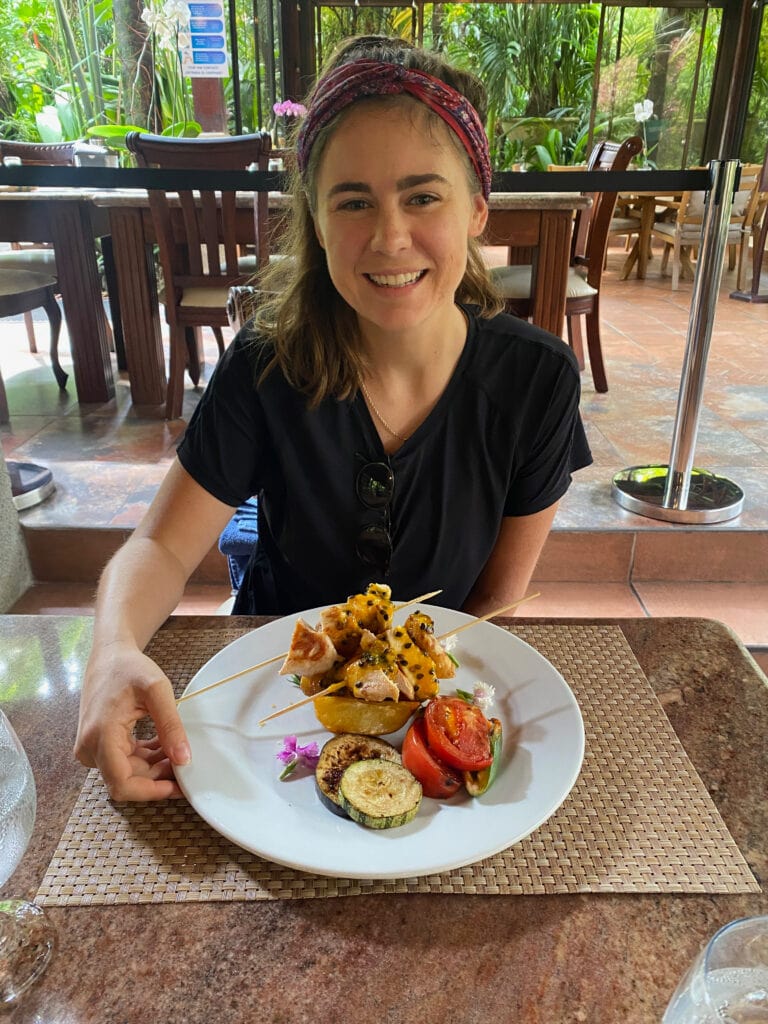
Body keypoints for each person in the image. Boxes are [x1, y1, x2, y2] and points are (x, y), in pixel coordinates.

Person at [74, 35, 592, 801]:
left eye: (423, 196)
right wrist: (110, 653)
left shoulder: (537, 381)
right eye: (352, 201)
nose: (388, 237)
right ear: (316, 221)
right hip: (268, 713)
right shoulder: (265, 365)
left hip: (424, 716)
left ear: (478, 209)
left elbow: (493, 606)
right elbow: (157, 545)